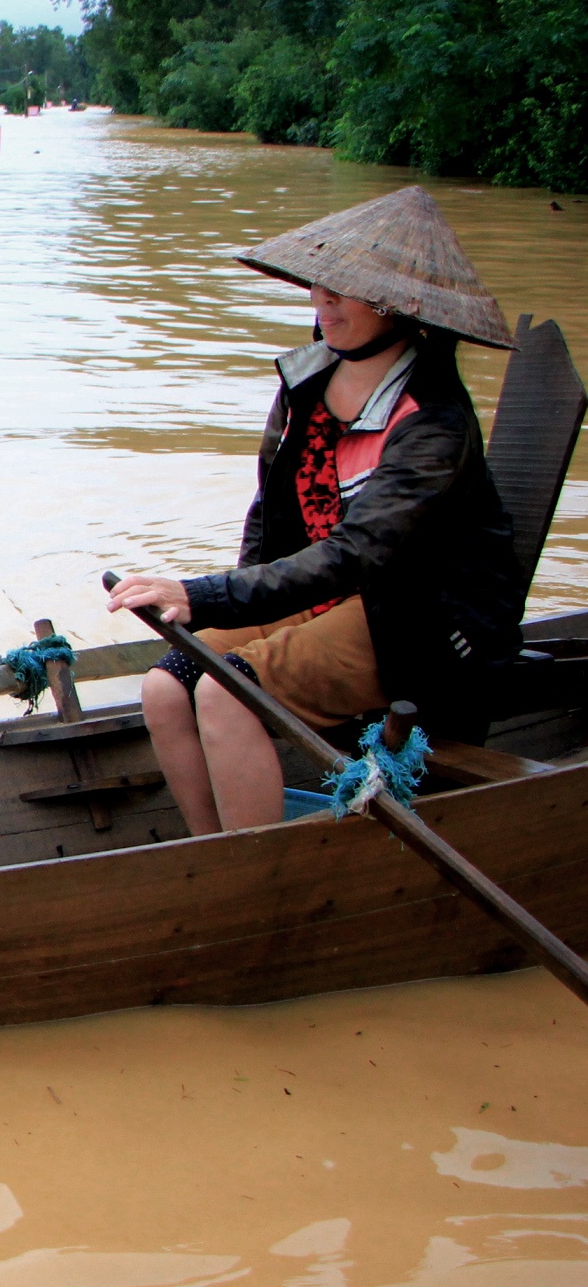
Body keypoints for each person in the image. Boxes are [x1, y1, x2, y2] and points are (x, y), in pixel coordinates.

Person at [108, 186, 523, 833]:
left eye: (342, 288)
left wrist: (206, 594)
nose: (320, 300)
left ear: (397, 306)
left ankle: (259, 878)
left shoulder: (435, 423)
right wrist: (235, 604)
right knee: (167, 687)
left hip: (413, 620)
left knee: (226, 691)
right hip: (328, 594)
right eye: (317, 284)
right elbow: (266, 518)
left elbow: (355, 552)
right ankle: (211, 857)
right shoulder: (306, 382)